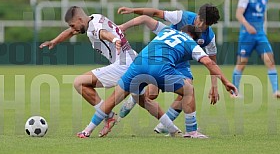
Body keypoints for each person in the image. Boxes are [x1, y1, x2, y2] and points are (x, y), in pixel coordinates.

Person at [77, 26, 238, 139]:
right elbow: (209, 62)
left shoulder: (167, 31)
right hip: (160, 69)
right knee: (188, 90)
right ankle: (192, 132)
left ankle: (86, 131)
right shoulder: (191, 43)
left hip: (138, 64)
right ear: (194, 38)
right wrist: (225, 81)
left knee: (113, 99)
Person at [39, 6, 178, 137]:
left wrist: (115, 39)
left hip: (122, 65)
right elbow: (71, 32)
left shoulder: (93, 28)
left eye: (72, 25)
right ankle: (173, 129)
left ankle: (108, 117)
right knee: (144, 101)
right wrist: (54, 41)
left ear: (80, 20)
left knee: (79, 83)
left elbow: (103, 34)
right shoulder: (95, 17)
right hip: (133, 59)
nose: (72, 28)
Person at [116, 4, 221, 133]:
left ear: (210, 24)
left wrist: (214, 86)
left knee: (188, 90)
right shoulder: (182, 16)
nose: (200, 25)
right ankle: (135, 97)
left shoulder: (210, 38)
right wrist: (133, 10)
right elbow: (155, 13)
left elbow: (212, 63)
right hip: (164, 55)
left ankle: (164, 125)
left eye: (205, 24)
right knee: (152, 94)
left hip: (181, 62)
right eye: (200, 20)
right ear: (198, 15)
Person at [232, 0, 280, 98]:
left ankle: (276, 91)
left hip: (260, 35)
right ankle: (234, 92)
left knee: (270, 61)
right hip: (247, 35)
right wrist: (247, 26)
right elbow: (238, 14)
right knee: (242, 63)